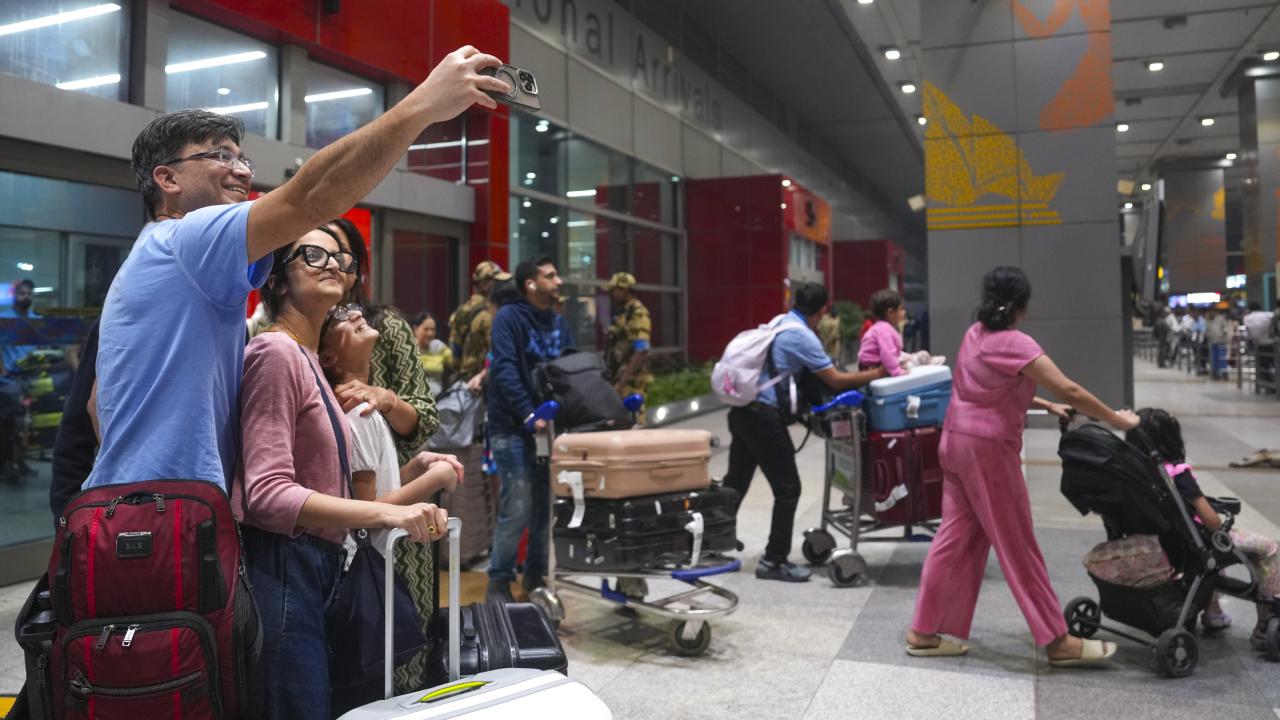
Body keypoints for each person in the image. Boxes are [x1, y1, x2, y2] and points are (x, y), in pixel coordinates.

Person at [85, 47, 508, 494]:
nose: (242, 172)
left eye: (243, 159)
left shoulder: (155, 256)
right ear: (167, 180)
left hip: (141, 508)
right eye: (220, 156)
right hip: (169, 515)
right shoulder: (188, 239)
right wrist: (424, 103)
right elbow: (311, 196)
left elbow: (98, 404)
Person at [235, 227, 449, 719]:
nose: (332, 264)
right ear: (277, 279)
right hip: (285, 562)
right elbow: (265, 493)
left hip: (316, 562)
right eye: (311, 254)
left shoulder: (307, 356)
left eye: (340, 258)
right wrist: (384, 513)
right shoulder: (276, 353)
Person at [906, 266, 1138, 666]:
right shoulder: (1015, 342)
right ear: (1023, 305)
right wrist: (1118, 420)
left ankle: (924, 631)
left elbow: (985, 390)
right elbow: (1070, 388)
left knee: (955, 538)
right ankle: (1057, 641)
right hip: (989, 454)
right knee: (1018, 545)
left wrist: (1046, 406)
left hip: (955, 444)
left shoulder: (975, 333)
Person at [724, 281, 884, 582]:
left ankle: (709, 544)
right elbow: (835, 380)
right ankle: (774, 560)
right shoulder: (801, 336)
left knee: (736, 481)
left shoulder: (780, 322)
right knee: (788, 489)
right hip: (763, 417)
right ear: (822, 310)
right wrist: (877, 374)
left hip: (742, 411)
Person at [1095, 408, 1280, 647]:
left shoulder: (1131, 474)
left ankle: (1213, 612)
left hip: (1158, 543)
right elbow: (1211, 521)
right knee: (1265, 547)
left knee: (1213, 550)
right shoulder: (1177, 473)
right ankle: (1266, 625)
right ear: (1171, 439)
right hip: (1189, 544)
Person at [485, 256, 573, 602]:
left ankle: (535, 578)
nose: (559, 280)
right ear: (530, 285)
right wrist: (527, 413)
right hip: (512, 425)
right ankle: (499, 580)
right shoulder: (509, 318)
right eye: (551, 275)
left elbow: (568, 368)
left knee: (543, 508)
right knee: (518, 504)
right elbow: (504, 369)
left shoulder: (557, 321)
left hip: (548, 429)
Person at [326, 218, 440, 462]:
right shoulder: (290, 332)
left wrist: (386, 399)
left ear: (355, 270)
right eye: (318, 253)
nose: (330, 264)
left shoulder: (385, 326)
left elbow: (426, 420)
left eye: (340, 253)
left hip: (386, 478)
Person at [604, 272, 652, 412]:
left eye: (615, 290)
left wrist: (622, 382)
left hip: (631, 383)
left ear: (624, 289)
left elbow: (641, 350)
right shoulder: (623, 313)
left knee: (633, 423)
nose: (612, 294)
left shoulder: (637, 313)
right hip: (619, 379)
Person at [451, 260, 507, 382]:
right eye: (497, 282)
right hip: (480, 381)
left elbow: (455, 348)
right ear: (485, 285)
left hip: (463, 378)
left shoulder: (461, 310)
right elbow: (495, 351)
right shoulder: (489, 314)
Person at [412, 311, 453, 396]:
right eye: (426, 329)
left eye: (433, 329)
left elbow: (455, 362)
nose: (430, 333)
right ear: (415, 329)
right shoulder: (408, 347)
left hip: (438, 399)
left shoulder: (439, 347)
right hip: (414, 399)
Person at [1205, 307, 1229, 379]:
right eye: (1210, 312)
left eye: (1213, 311)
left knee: (1222, 357)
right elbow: (1207, 330)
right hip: (1212, 342)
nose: (1211, 313)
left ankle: (1224, 372)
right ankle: (1215, 372)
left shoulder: (1220, 318)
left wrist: (1224, 332)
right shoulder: (1207, 320)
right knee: (1214, 358)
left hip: (1221, 341)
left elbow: (1225, 327)